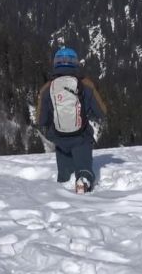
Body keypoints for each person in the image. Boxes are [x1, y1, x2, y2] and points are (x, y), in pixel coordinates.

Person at [37, 47, 107, 193]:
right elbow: (101, 112)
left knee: (64, 174)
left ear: (55, 64)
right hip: (81, 137)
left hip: (59, 137)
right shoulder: (85, 85)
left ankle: (63, 185)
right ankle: (83, 180)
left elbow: (41, 120)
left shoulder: (47, 88)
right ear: (75, 64)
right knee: (84, 167)